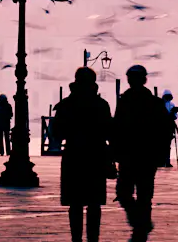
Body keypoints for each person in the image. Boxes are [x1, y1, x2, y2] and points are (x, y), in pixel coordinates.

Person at [53, 67, 113, 242]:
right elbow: (110, 132)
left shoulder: (66, 104)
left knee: (75, 203)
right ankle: (93, 239)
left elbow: (57, 132)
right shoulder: (101, 105)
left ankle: (76, 239)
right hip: (96, 156)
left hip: (74, 155)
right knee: (94, 203)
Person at [111, 65, 170, 242]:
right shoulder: (154, 102)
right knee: (142, 194)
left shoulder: (125, 101)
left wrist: (115, 152)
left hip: (132, 155)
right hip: (145, 156)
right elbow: (165, 130)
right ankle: (141, 222)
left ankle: (140, 222)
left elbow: (117, 128)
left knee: (126, 192)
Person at [161, 89, 178, 167]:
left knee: (167, 145)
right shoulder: (160, 105)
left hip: (169, 128)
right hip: (161, 128)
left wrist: (173, 113)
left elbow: (175, 117)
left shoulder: (172, 104)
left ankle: (167, 161)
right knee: (162, 145)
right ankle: (161, 161)